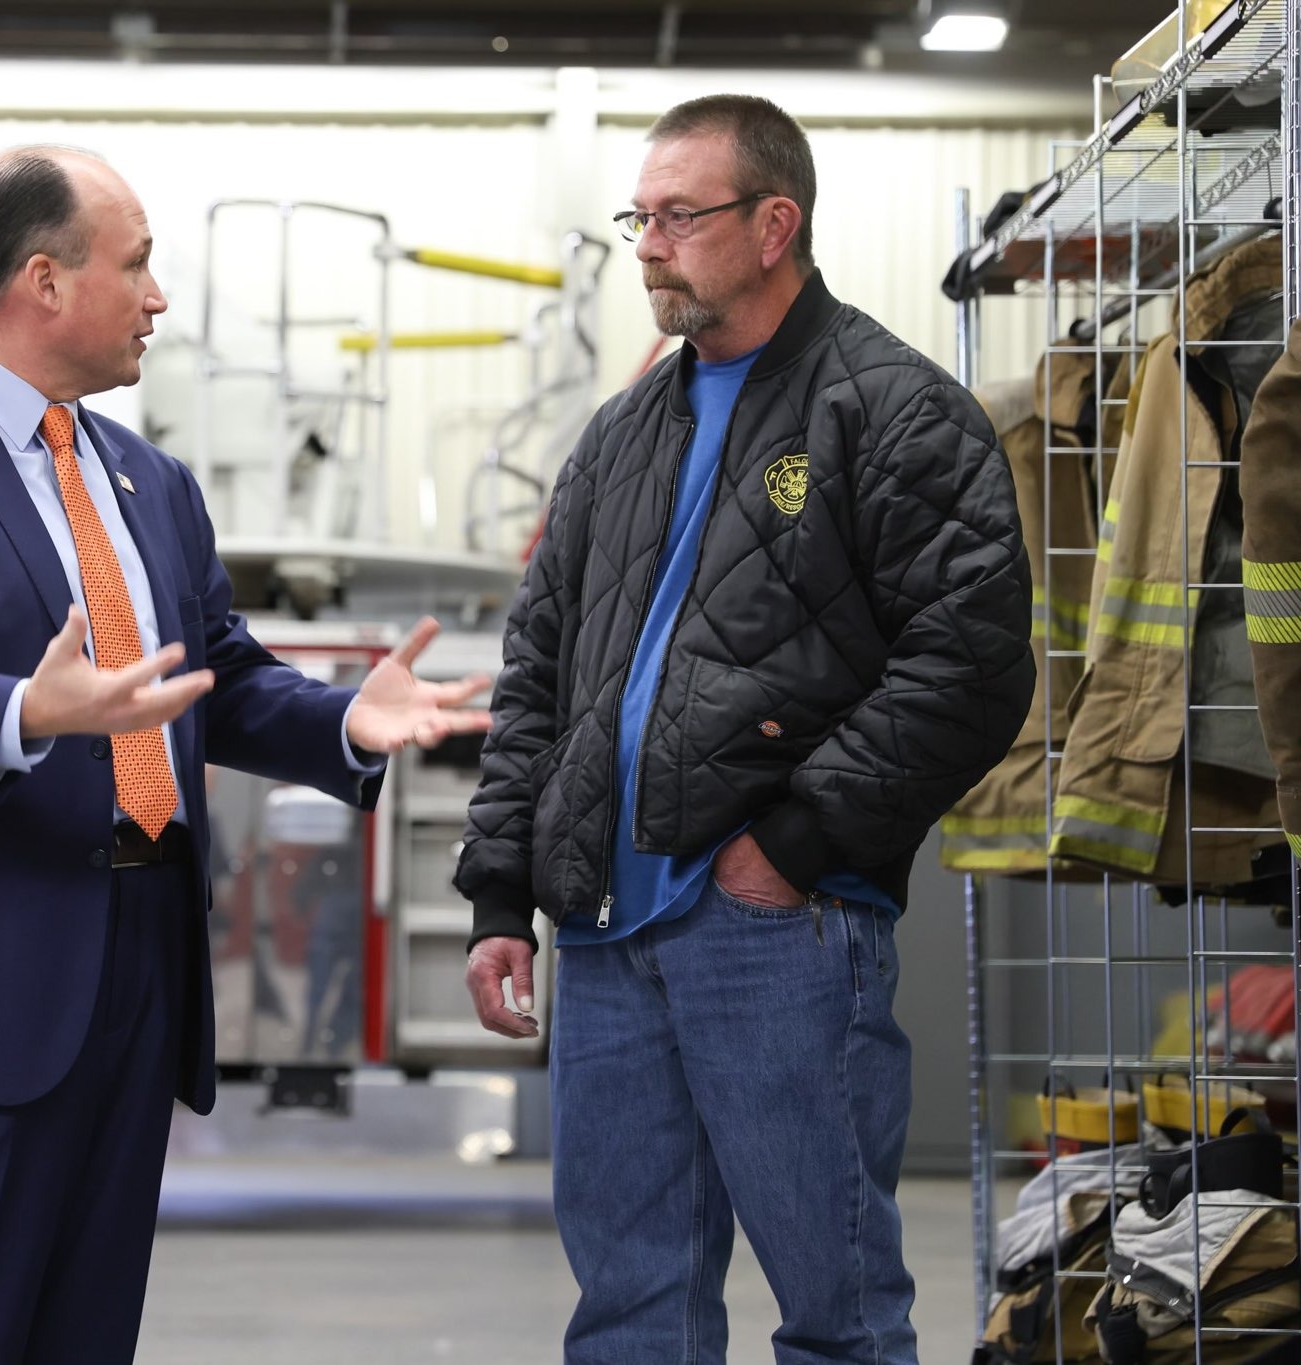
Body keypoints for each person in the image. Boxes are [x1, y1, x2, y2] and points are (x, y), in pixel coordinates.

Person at [0, 145, 490, 1365]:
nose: (158, 298)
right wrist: (21, 714)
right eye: (139, 263)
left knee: (85, 1333)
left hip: (135, 962)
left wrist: (341, 724)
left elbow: (216, 674)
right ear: (44, 282)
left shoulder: (146, 480)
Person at [455, 95, 1032, 1364]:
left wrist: (798, 840)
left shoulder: (894, 411)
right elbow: (536, 676)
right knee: (627, 1313)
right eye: (638, 218)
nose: (648, 245)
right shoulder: (618, 435)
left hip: (774, 928)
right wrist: (503, 889)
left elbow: (973, 667)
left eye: (677, 216)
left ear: (774, 225)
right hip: (605, 929)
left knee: (835, 1312)